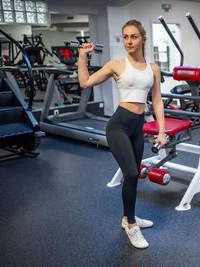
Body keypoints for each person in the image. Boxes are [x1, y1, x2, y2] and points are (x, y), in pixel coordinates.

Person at [78, 19, 167, 249]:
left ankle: (129, 217)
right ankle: (131, 224)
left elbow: (156, 100)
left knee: (134, 175)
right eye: (126, 36)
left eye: (134, 36)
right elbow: (85, 82)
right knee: (130, 172)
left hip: (137, 126)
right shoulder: (116, 65)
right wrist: (82, 56)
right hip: (118, 126)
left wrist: (161, 131)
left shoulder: (153, 68)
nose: (129, 41)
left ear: (143, 39)